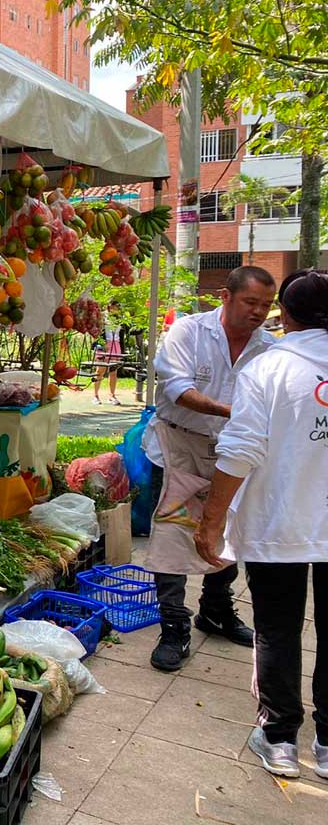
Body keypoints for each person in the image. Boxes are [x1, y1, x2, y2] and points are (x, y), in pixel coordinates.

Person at [194, 268, 328, 780]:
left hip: (280, 522)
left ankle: (280, 741)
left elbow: (241, 448)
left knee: (277, 628)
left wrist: (211, 523)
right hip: (298, 519)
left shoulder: (269, 370)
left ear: (286, 315)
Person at [141, 265, 276, 672]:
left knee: (230, 528)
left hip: (234, 451)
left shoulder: (268, 348)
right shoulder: (188, 332)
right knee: (173, 532)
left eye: (266, 306)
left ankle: (215, 611)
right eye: (251, 302)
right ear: (226, 296)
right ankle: (173, 626)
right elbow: (178, 390)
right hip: (180, 441)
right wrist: (236, 412)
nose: (258, 312)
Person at [92, 303, 123, 405]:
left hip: (116, 345)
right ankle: (95, 395)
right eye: (114, 306)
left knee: (113, 372)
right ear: (109, 306)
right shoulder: (102, 316)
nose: (116, 309)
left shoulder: (120, 318)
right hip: (104, 344)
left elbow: (121, 334)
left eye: (117, 307)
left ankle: (112, 395)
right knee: (100, 370)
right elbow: (96, 331)